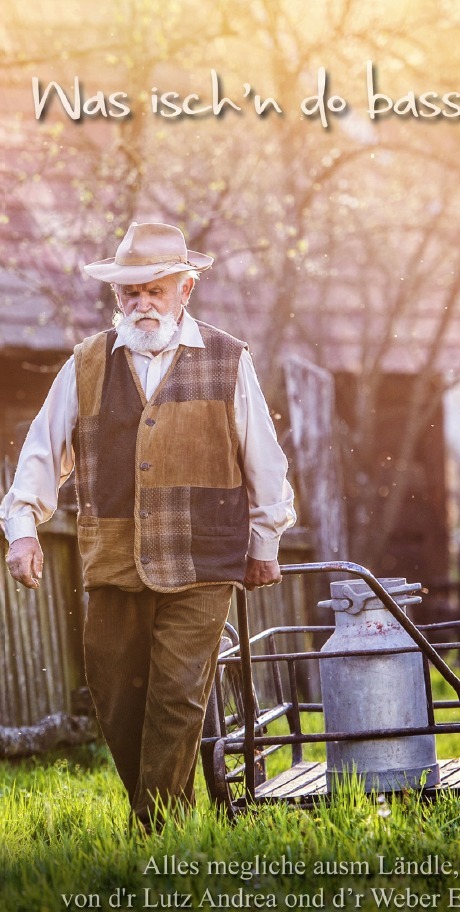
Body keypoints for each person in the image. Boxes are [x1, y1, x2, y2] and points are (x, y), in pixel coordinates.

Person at [1, 221, 296, 830]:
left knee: (177, 696)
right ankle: (162, 814)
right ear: (117, 298)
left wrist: (264, 541)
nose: (140, 304)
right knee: (116, 696)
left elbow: (264, 461)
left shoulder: (227, 360)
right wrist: (24, 527)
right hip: (112, 560)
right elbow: (40, 450)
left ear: (185, 291)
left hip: (202, 564)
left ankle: (155, 832)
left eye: (154, 291)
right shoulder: (84, 366)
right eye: (129, 293)